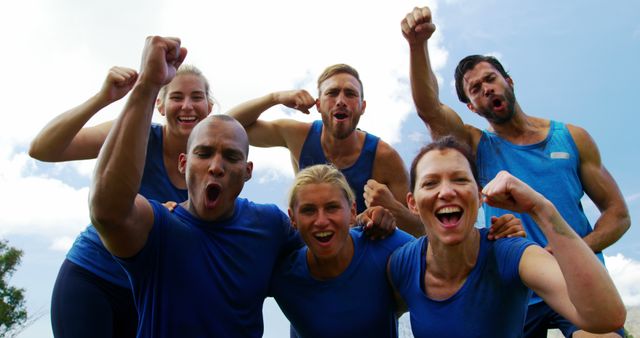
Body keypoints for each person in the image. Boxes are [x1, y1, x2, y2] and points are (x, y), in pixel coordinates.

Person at [401, 6, 630, 336]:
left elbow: (618, 214)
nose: (486, 89)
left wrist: (572, 248)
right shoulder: (479, 146)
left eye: (490, 79)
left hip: (574, 283)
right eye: (475, 89)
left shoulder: (572, 138)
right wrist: (417, 45)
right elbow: (430, 110)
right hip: (514, 288)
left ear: (508, 80)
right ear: (471, 107)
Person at [89, 36, 301, 337]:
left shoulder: (270, 225)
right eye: (203, 154)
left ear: (247, 172)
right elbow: (108, 212)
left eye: (231, 156)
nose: (216, 166)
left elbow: (329, 257)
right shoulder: (158, 228)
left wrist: (375, 223)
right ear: (183, 164)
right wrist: (147, 85)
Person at [29, 62, 214, 336]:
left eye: (196, 97)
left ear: (209, 107)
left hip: (146, 298)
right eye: (176, 97)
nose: (187, 105)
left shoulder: (214, 164)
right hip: (91, 279)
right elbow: (42, 149)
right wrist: (102, 97)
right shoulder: (134, 133)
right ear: (160, 106)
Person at [387, 136, 626, 337]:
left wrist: (540, 208)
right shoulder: (402, 264)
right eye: (430, 183)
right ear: (412, 203)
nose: (447, 192)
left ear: (480, 196)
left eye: (460, 179)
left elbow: (606, 317)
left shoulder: (511, 253)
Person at [226, 65, 424, 236]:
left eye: (350, 94)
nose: (340, 101)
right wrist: (275, 97)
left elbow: (421, 231)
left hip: (359, 253)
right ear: (318, 105)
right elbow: (227, 126)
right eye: (332, 93)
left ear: (362, 107)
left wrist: (393, 209)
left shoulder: (384, 158)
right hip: (311, 242)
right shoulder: (298, 136)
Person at [269, 164, 413, 338]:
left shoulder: (385, 245)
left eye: (332, 207)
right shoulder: (283, 276)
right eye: (308, 210)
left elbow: (443, 261)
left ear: (352, 212)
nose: (321, 221)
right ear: (292, 219)